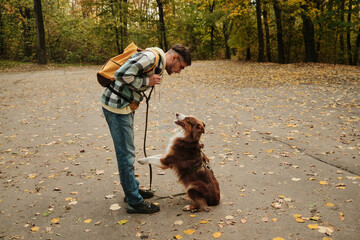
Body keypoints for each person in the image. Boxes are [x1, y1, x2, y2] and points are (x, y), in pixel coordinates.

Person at [101, 44, 191, 214]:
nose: (179, 71)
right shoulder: (151, 58)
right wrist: (146, 82)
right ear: (174, 58)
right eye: (181, 67)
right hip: (117, 107)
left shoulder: (156, 62)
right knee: (126, 155)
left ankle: (132, 190)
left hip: (124, 106)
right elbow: (120, 75)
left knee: (128, 151)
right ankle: (134, 202)